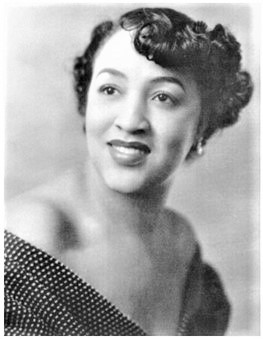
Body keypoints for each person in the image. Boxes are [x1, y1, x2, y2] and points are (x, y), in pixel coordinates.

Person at [4, 6, 253, 336]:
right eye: (110, 90)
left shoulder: (183, 245)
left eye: (163, 97)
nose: (130, 121)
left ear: (202, 127)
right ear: (86, 102)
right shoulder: (27, 249)